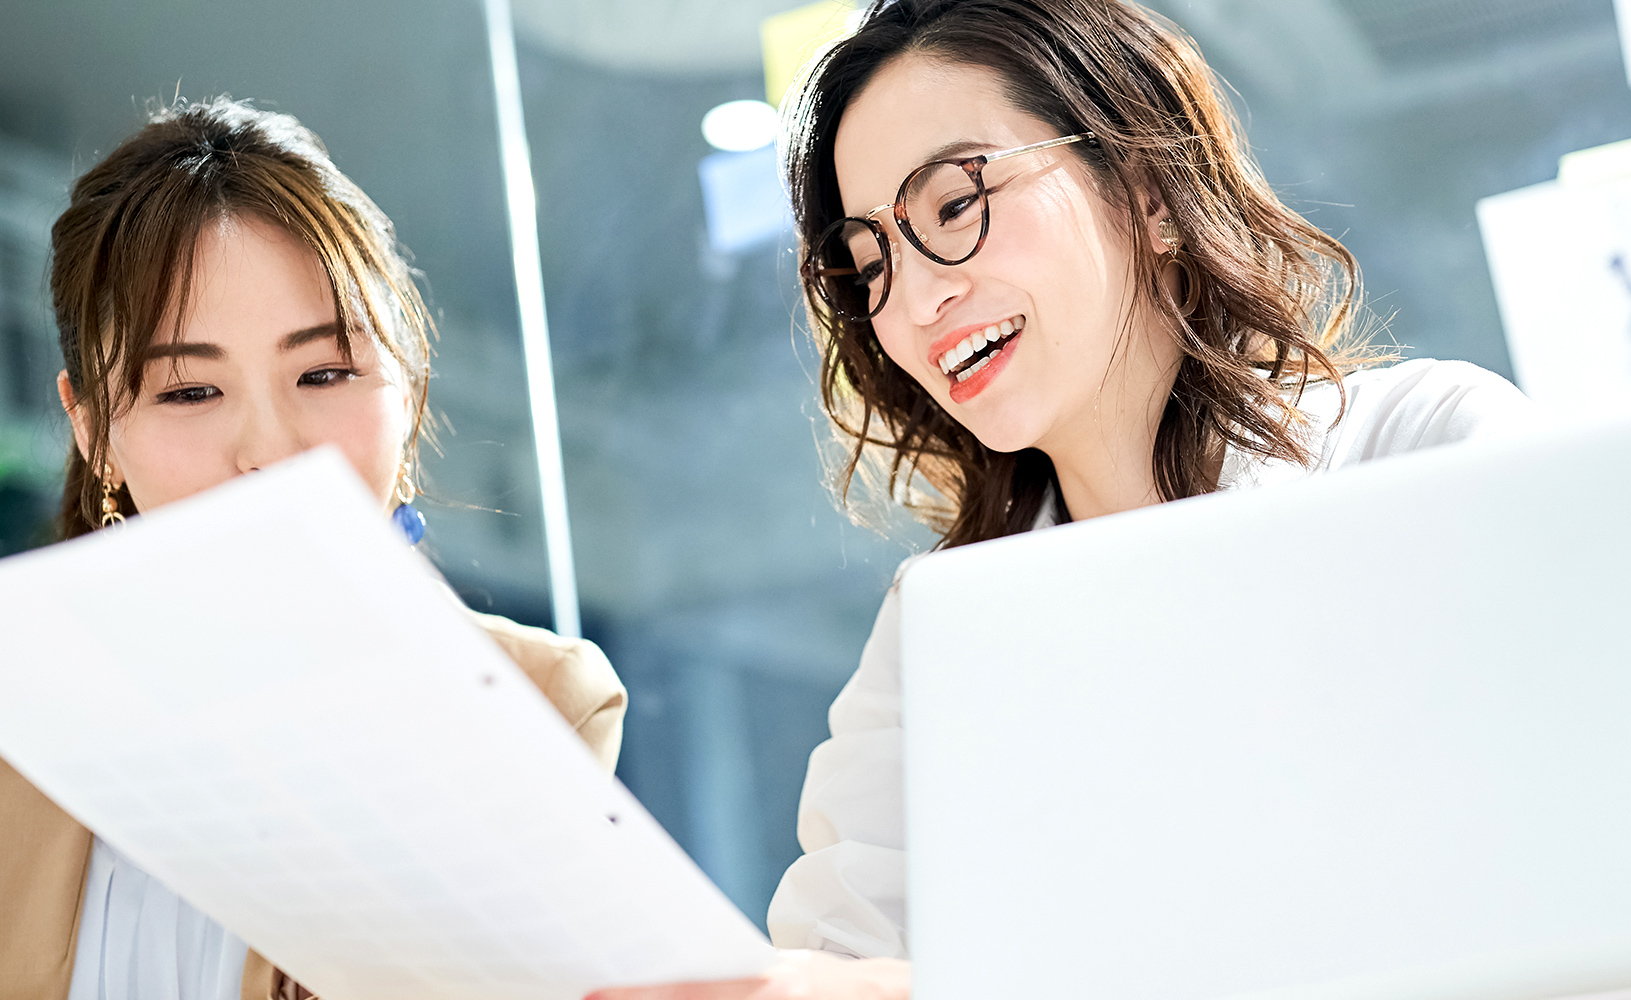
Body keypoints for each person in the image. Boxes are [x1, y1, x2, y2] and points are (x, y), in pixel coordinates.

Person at [590, 0, 1534, 997]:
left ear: (1146, 191)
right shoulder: (937, 632)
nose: (914, 303)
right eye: (871, 265)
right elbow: (838, 956)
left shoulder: (1427, 450)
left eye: (955, 207)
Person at [0, 98, 628, 1000]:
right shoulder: (19, 713)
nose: (269, 452)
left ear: (405, 391)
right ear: (94, 430)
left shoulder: (533, 708)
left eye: (324, 374)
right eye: (189, 391)